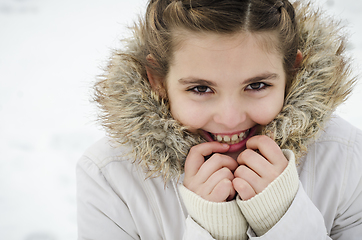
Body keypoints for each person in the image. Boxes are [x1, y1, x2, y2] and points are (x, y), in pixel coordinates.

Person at [76, 0, 362, 239]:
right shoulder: (110, 176)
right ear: (158, 81)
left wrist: (285, 219)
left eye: (257, 86)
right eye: (201, 89)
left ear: (292, 73)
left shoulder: (346, 157)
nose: (230, 119)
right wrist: (212, 231)